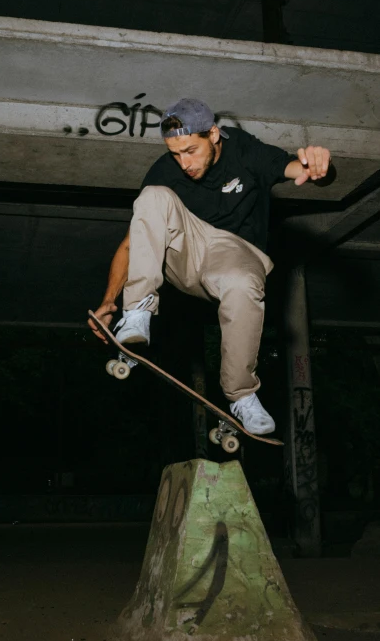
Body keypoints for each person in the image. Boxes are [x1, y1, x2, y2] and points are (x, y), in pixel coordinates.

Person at [88, 98, 331, 435]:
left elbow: (291, 168)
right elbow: (132, 243)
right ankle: (139, 310)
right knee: (152, 197)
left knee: (243, 283)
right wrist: (109, 300)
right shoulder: (165, 172)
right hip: (186, 255)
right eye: (176, 154)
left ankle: (241, 394)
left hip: (233, 256)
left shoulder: (243, 150)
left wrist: (314, 168)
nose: (184, 163)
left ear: (214, 134)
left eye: (190, 150)